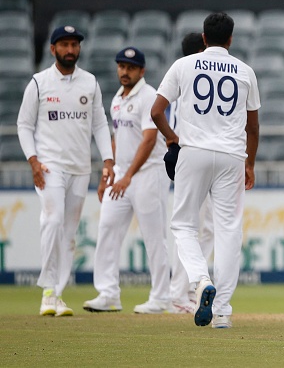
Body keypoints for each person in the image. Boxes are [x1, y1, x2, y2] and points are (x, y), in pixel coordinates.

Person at [151, 12, 260, 329]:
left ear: (202, 37)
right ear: (230, 39)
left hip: (193, 151)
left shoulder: (183, 65)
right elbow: (253, 128)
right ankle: (223, 312)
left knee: (184, 226)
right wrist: (249, 162)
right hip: (231, 156)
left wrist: (172, 138)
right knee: (229, 230)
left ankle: (200, 280)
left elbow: (156, 111)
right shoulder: (245, 71)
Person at [17, 25, 115, 316]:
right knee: (53, 219)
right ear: (53, 49)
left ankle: (57, 294)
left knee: (69, 234)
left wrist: (108, 160)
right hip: (49, 165)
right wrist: (33, 160)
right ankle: (47, 292)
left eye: (74, 45)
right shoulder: (38, 82)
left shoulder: (90, 82)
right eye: (65, 45)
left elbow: (100, 124)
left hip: (80, 167)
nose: (70, 50)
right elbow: (24, 125)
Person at [83, 47, 172, 314]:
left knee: (154, 236)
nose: (125, 71)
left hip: (149, 173)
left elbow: (149, 139)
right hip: (122, 173)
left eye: (131, 67)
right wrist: (107, 170)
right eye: (121, 66)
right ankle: (108, 293)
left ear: (141, 70)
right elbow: (116, 138)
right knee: (108, 228)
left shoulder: (149, 97)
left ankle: (160, 297)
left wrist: (128, 176)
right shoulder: (117, 99)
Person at [167, 32, 216, 314]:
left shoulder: (185, 76)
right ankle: (179, 293)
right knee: (188, 227)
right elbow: (168, 118)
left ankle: (193, 287)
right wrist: (174, 146)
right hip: (192, 157)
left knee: (203, 227)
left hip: (198, 157)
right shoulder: (185, 78)